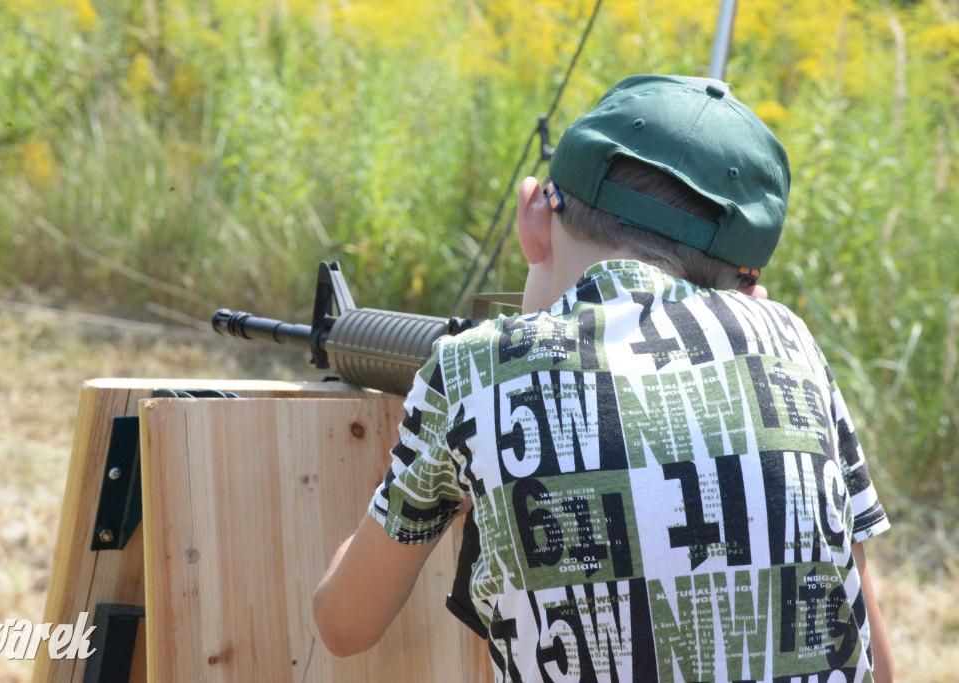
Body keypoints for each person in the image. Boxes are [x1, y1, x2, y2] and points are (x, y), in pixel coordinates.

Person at [313, 74, 894, 683]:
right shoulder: (790, 343)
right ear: (750, 288)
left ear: (534, 212)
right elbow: (871, 650)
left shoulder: (472, 369)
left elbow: (343, 625)